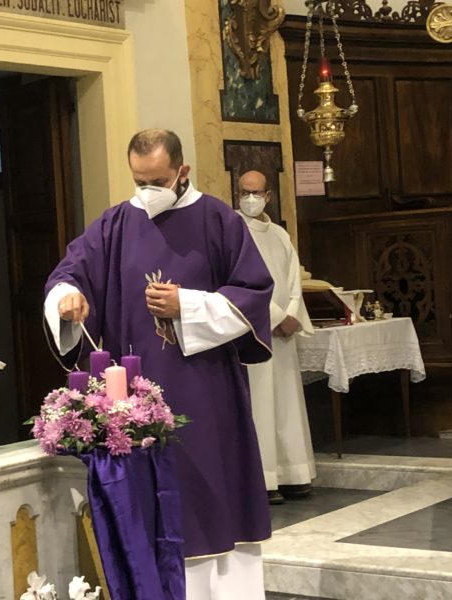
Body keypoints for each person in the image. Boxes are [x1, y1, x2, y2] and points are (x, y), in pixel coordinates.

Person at [44, 129, 274, 600]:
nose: (147, 191)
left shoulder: (219, 220)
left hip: (207, 392)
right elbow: (69, 273)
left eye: (157, 180)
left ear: (182, 171)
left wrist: (185, 306)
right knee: (150, 513)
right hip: (135, 400)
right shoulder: (114, 225)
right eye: (139, 181)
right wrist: (67, 298)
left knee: (212, 501)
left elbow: (253, 294)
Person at [236, 170, 316, 505]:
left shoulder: (280, 234)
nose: (250, 199)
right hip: (256, 332)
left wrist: (292, 314)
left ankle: (293, 473)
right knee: (262, 405)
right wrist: (276, 317)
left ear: (268, 196)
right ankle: (266, 478)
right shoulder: (233, 230)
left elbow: (293, 280)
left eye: (256, 193)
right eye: (244, 192)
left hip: (284, 333)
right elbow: (241, 282)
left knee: (286, 405)